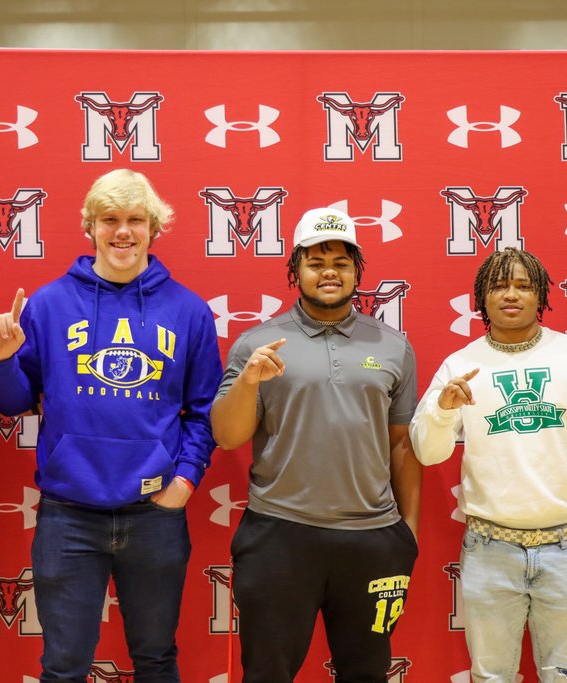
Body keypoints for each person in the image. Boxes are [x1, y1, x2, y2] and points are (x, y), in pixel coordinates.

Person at [0, 168, 222, 683]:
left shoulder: (189, 311)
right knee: (64, 666)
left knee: (156, 659)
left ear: (154, 229)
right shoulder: (48, 304)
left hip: (155, 513)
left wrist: (185, 481)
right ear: (90, 226)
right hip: (69, 516)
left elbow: (205, 412)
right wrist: (1, 362)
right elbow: (13, 403)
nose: (123, 232)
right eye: (109, 219)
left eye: (136, 220)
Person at [210, 207, 422, 683]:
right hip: (279, 535)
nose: (329, 271)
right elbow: (226, 436)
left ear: (357, 272)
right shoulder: (257, 343)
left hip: (373, 540)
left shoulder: (392, 345)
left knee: (366, 673)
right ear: (295, 271)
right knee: (267, 673)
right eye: (315, 261)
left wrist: (407, 535)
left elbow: (402, 446)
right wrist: (248, 381)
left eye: (342, 262)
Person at [409, 247, 567, 683]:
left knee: (565, 676)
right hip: (490, 548)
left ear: (541, 295)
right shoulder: (461, 365)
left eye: (524, 285)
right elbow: (428, 452)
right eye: (500, 285)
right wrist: (444, 409)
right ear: (482, 297)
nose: (511, 294)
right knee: (491, 676)